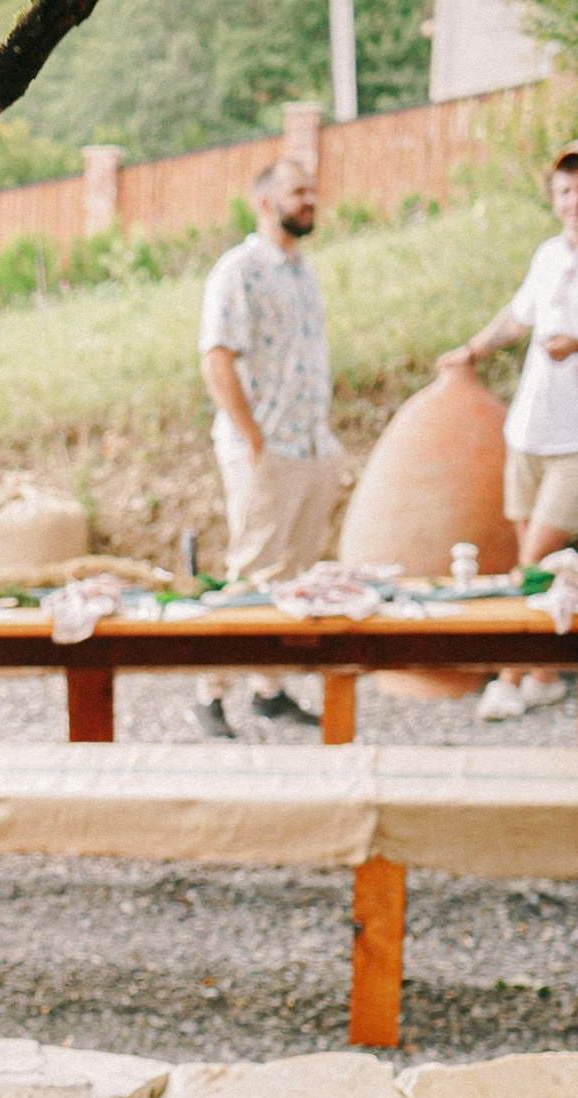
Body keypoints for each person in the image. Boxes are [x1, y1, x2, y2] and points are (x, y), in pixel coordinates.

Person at [439, 138, 578, 721]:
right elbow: (519, 316)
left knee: (536, 562)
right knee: (532, 560)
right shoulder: (548, 254)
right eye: (565, 190)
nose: (575, 200)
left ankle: (509, 678)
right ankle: (544, 672)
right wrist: (471, 349)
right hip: (528, 428)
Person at [193, 156, 344, 739]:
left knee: (294, 575)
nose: (310, 199)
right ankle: (207, 695)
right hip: (264, 448)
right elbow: (216, 358)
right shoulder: (239, 270)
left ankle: (269, 690)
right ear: (264, 202)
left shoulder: (303, 272)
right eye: (297, 191)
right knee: (252, 576)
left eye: (313, 190)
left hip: (311, 445)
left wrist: (323, 444)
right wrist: (253, 438)